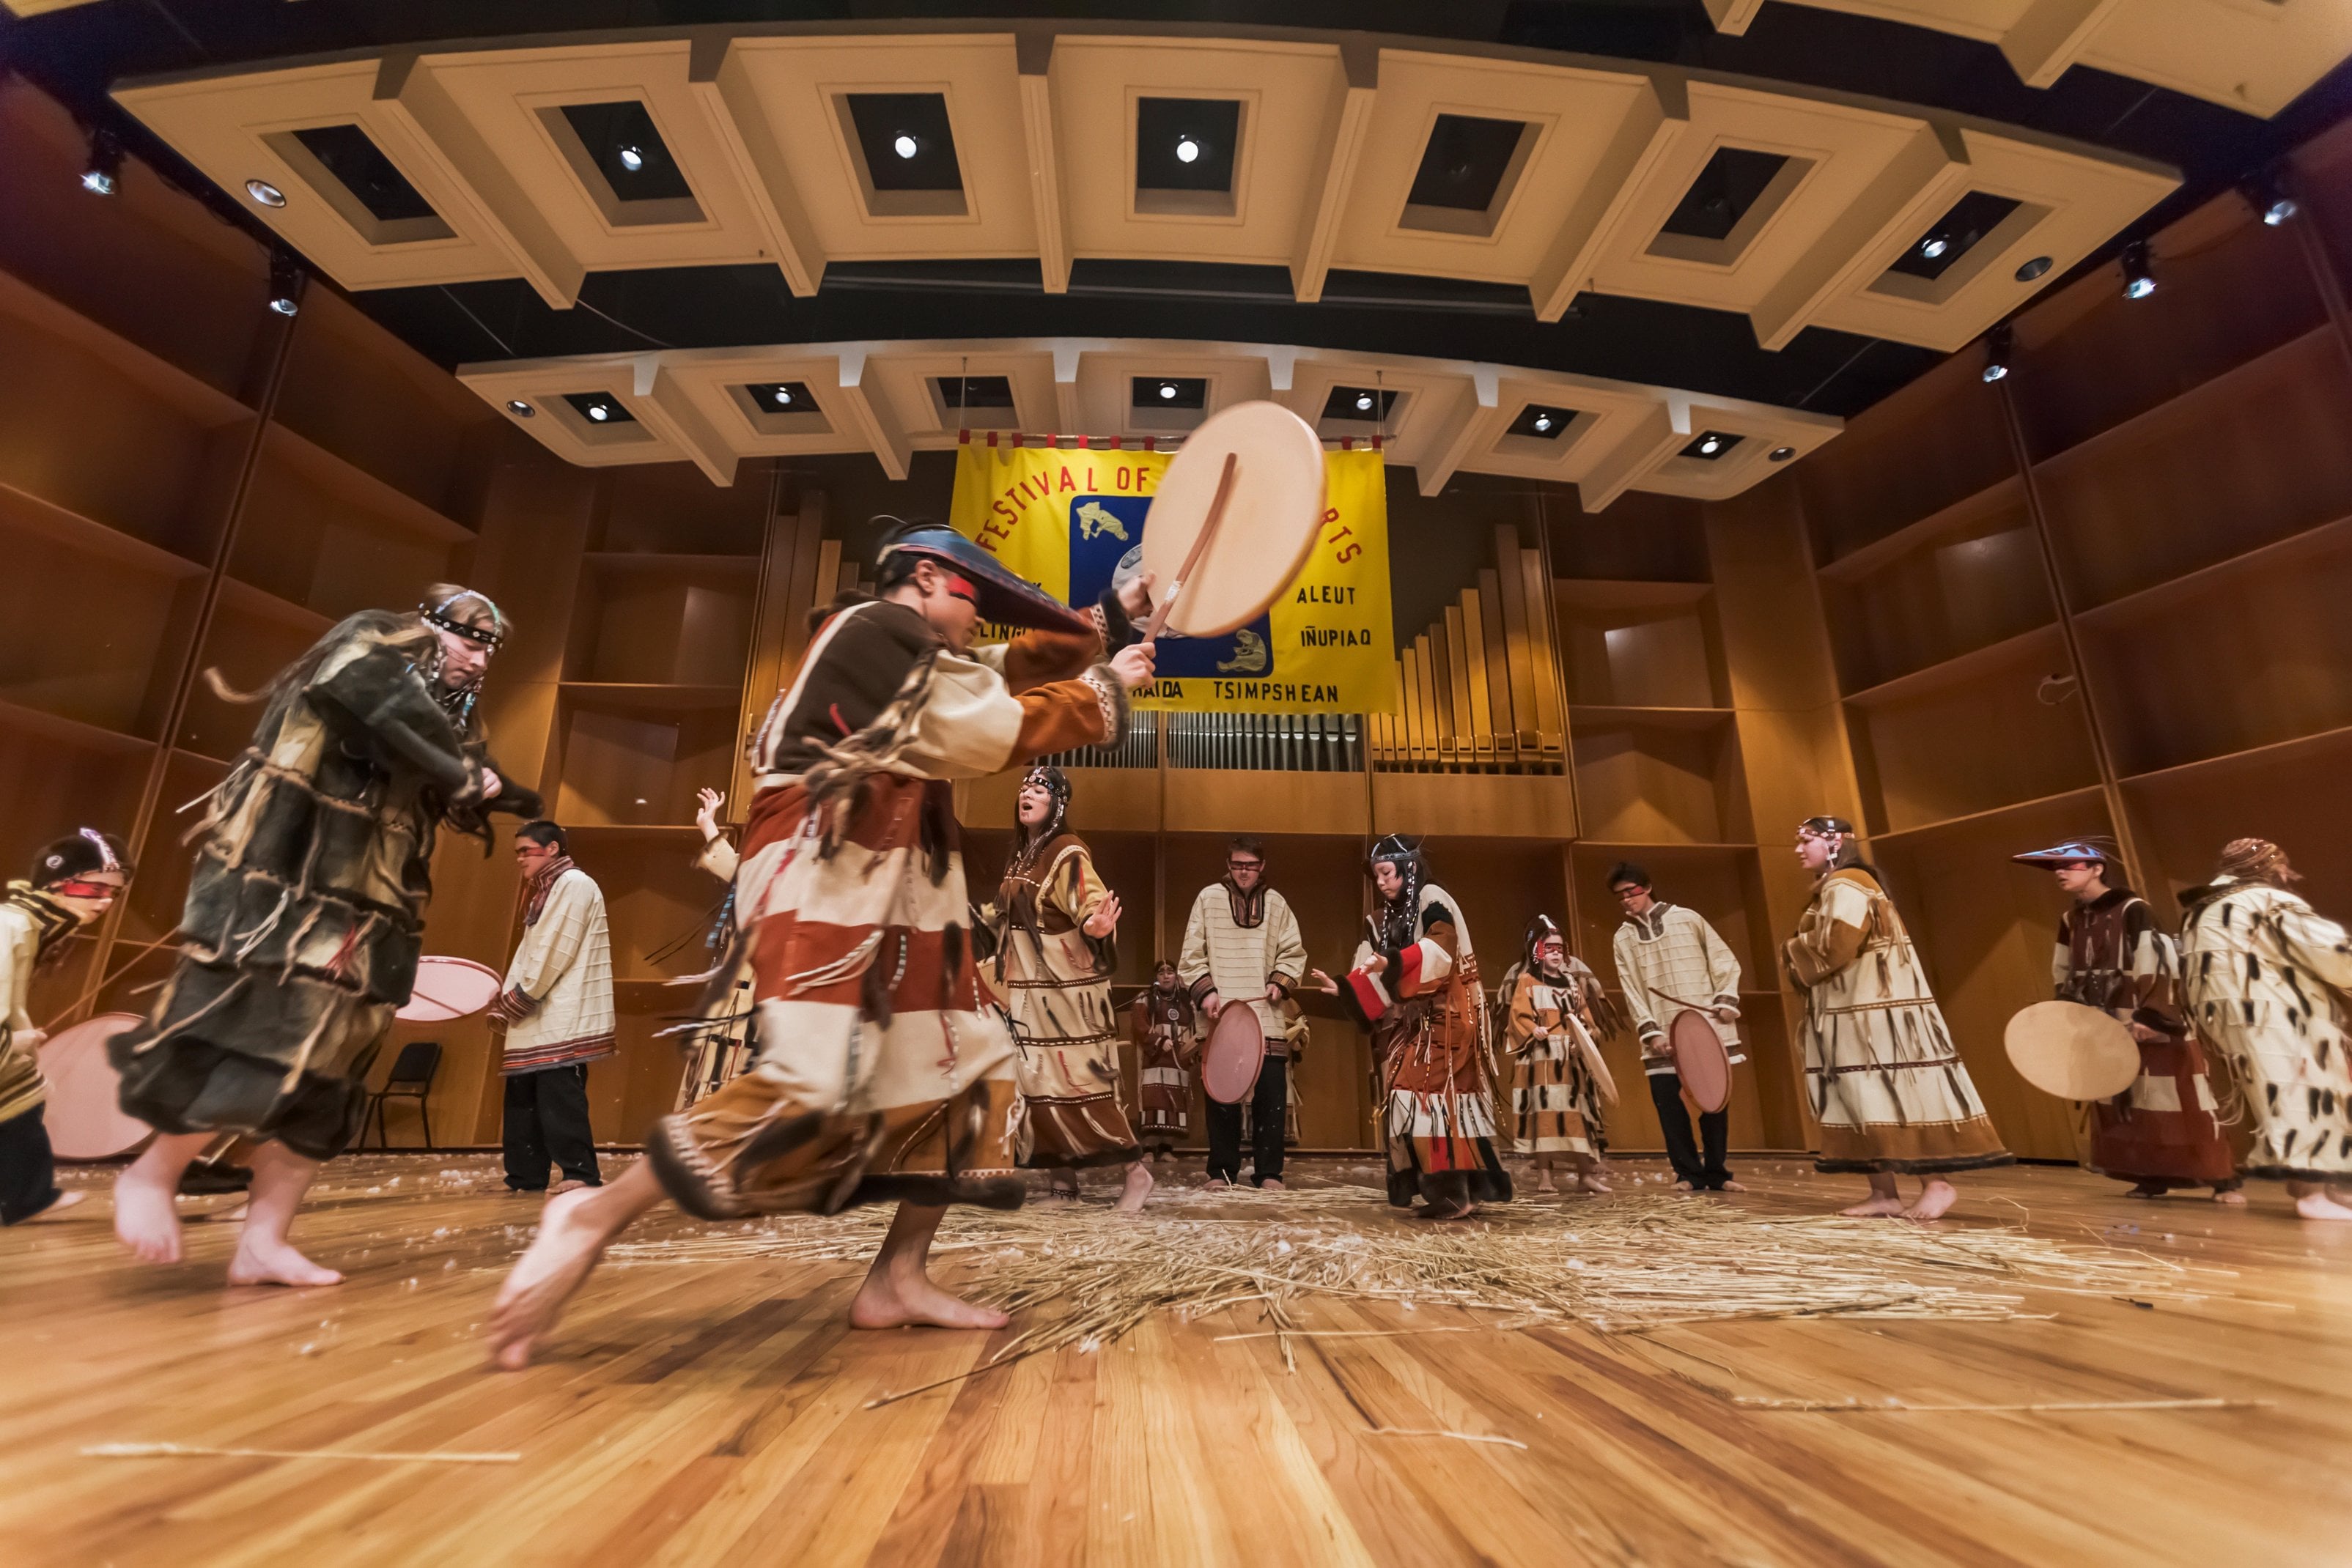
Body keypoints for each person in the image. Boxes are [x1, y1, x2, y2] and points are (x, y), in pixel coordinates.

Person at [486, 520, 1157, 1367]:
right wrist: (1104, 691)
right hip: (824, 858)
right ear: (925, 578)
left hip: (887, 876)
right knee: (810, 1079)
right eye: (970, 604)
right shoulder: (872, 630)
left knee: (975, 1061)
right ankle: (594, 1215)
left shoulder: (908, 645)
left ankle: (894, 1280)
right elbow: (976, 725)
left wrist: (1112, 615)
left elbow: (996, 676)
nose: (975, 625)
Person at [111, 586, 538, 1284]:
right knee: (254, 1036)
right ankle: (153, 1173)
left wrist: (486, 787)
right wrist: (464, 772)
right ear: (430, 629)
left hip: (375, 909)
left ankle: (263, 1240)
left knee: (333, 1068)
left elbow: (444, 779)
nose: (479, 662)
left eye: (489, 651)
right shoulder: (372, 643)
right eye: (470, 643)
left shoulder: (446, 718)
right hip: (288, 892)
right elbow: (370, 699)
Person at [1784, 816, 2010, 1218]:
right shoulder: (1843, 884)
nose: (1799, 850)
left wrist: (1790, 950)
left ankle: (1936, 1184)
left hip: (1875, 1015)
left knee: (1896, 1093)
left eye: (1807, 841)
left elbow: (1836, 946)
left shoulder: (1847, 883)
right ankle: (1883, 1193)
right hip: (1853, 1012)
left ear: (1834, 844)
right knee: (1862, 1096)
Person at [2013, 835, 2240, 1204]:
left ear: (2097, 869)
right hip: (2102, 1023)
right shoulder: (2071, 919)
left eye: (2070, 865)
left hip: (2144, 1015)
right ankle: (2149, 1175)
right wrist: (2069, 1014)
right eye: (2057, 868)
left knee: (2177, 1099)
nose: (2060, 873)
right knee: (2127, 1101)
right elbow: (2062, 968)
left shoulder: (2134, 909)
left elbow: (2160, 959)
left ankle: (2221, 1178)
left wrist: (2153, 1015)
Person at [986, 765, 1151, 1212]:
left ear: (1057, 802)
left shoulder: (1067, 851)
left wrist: (1096, 926)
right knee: (1037, 1088)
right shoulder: (1024, 854)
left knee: (1079, 1085)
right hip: (1028, 995)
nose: (1027, 792)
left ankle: (1137, 1175)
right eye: (1024, 786)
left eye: (1039, 788)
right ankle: (1063, 1185)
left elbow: (1091, 903)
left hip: (1065, 998)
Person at [1328, 835, 1510, 1218]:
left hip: (1449, 1016)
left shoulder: (1431, 898)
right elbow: (1370, 964)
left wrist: (1392, 963)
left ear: (1408, 869)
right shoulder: (1383, 919)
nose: (1380, 882)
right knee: (1442, 1104)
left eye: (1387, 873)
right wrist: (1347, 987)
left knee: (1419, 1099)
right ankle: (1469, 1189)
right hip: (1416, 1022)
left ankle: (1450, 1194)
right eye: (1376, 876)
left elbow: (1440, 949)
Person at [2178, 837, 2352, 1221]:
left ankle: (2314, 1187)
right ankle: (2312, 1193)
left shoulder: (2199, 911)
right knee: (2306, 1094)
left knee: (2281, 1095)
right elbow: (2327, 951)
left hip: (2235, 1018)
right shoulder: (2266, 902)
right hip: (2278, 1013)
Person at [0, 830, 131, 1225]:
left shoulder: (28, 924)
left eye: (113, 893)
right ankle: (28, 1198)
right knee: (20, 1103)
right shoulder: (11, 926)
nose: (105, 901)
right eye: (93, 889)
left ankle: (28, 1198)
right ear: (58, 882)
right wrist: (12, 1040)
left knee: (20, 1104)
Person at [493, 821, 614, 1197]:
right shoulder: (544, 891)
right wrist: (507, 997)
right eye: (517, 852)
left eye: (525, 850)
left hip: (563, 1010)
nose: (519, 859)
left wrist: (518, 997)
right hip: (540, 1010)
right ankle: (525, 1177)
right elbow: (531, 950)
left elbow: (555, 949)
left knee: (559, 1096)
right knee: (523, 1098)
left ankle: (580, 1172)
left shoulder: (574, 884)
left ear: (552, 850)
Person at [1609, 862, 1747, 1193]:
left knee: (1714, 1103)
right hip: (1662, 1033)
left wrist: (1726, 1001)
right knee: (1669, 1107)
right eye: (1620, 896)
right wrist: (1651, 1032)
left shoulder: (1687, 918)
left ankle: (1717, 1173)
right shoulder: (1623, 938)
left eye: (1632, 891)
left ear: (1648, 887)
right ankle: (1687, 1173)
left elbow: (1723, 960)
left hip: (1707, 1028)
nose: (1628, 899)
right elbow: (1631, 988)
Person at [1179, 837, 1307, 1189]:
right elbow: (1191, 954)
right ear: (1228, 864)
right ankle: (1221, 1172)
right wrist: (1207, 993)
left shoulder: (1277, 903)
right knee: (1222, 1096)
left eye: (1250, 865)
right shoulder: (1208, 898)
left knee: (1271, 1098)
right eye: (1237, 865)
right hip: (1220, 1015)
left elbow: (1293, 952)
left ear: (1262, 866)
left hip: (1266, 1015)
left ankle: (1269, 1174)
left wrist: (1280, 983)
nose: (1244, 872)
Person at [1505, 916, 1614, 1195]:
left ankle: (1584, 1175)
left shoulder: (1572, 985)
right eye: (1549, 947)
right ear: (1538, 951)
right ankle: (1544, 1176)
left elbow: (1588, 1022)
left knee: (1577, 1115)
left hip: (1571, 1062)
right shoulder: (1527, 982)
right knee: (1544, 1117)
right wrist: (1534, 1030)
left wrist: (1586, 1037)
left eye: (1560, 948)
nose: (1556, 953)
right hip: (1542, 1061)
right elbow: (1518, 1017)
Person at [1129, 961, 1196, 1160]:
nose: (1166, 976)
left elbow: (1196, 1025)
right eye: (1161, 972)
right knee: (1154, 1100)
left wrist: (1192, 1046)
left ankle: (1167, 1148)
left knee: (1176, 1102)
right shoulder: (1146, 998)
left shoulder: (1186, 999)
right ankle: (1148, 1149)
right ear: (1156, 977)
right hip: (1156, 1058)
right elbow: (1139, 1025)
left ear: (1176, 975)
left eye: (1170, 972)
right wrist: (1158, 1040)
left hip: (1179, 1058)